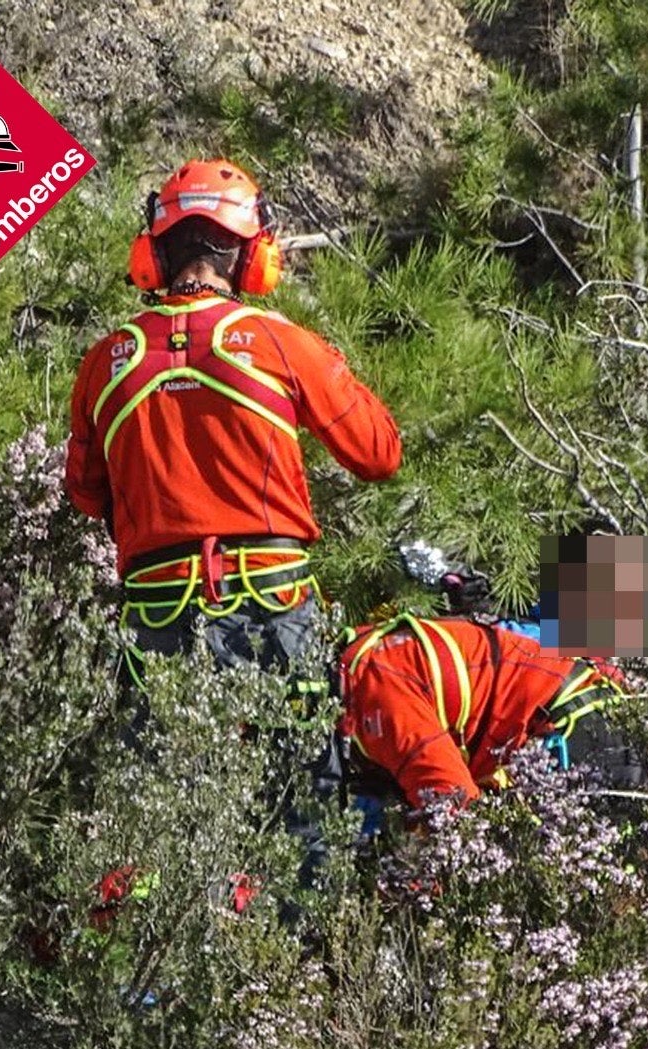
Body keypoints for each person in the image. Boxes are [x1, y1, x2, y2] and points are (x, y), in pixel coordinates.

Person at [64, 160, 401, 890]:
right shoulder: (280, 342)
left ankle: (152, 952)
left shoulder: (103, 362)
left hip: (157, 616)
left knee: (155, 814)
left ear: (155, 253)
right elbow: (380, 454)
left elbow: (84, 494)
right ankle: (297, 953)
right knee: (299, 806)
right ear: (252, 253)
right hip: (273, 605)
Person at [335, 611, 648, 812]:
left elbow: (454, 803)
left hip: (573, 721)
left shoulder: (376, 701)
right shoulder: (358, 660)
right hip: (555, 719)